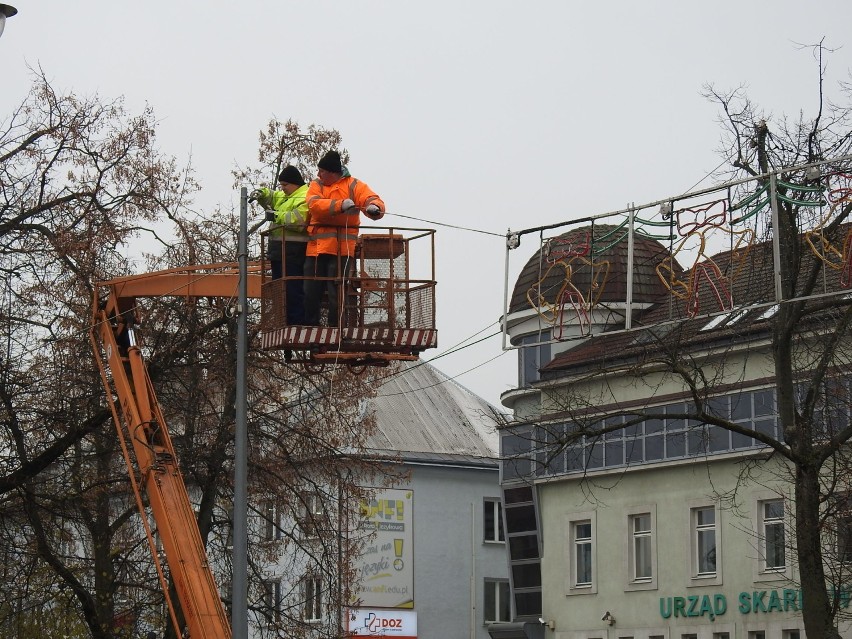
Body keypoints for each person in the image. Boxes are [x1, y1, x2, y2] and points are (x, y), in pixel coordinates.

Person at [303, 150, 385, 327]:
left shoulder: (354, 185)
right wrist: (341, 205)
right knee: (310, 290)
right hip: (316, 249)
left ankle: (337, 328)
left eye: (322, 171)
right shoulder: (316, 185)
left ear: (332, 172)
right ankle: (311, 327)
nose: (318, 174)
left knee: (338, 292)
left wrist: (374, 207)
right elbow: (315, 206)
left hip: (343, 250)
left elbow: (373, 198)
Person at [250, 165, 309, 325]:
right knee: (279, 288)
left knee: (292, 288)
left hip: (293, 250)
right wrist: (261, 193)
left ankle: (296, 322)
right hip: (280, 251)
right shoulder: (287, 196)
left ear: (295, 183)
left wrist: (276, 216)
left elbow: (299, 220)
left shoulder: (304, 196)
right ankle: (283, 320)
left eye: (285, 185)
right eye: (281, 185)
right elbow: (272, 196)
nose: (282, 189)